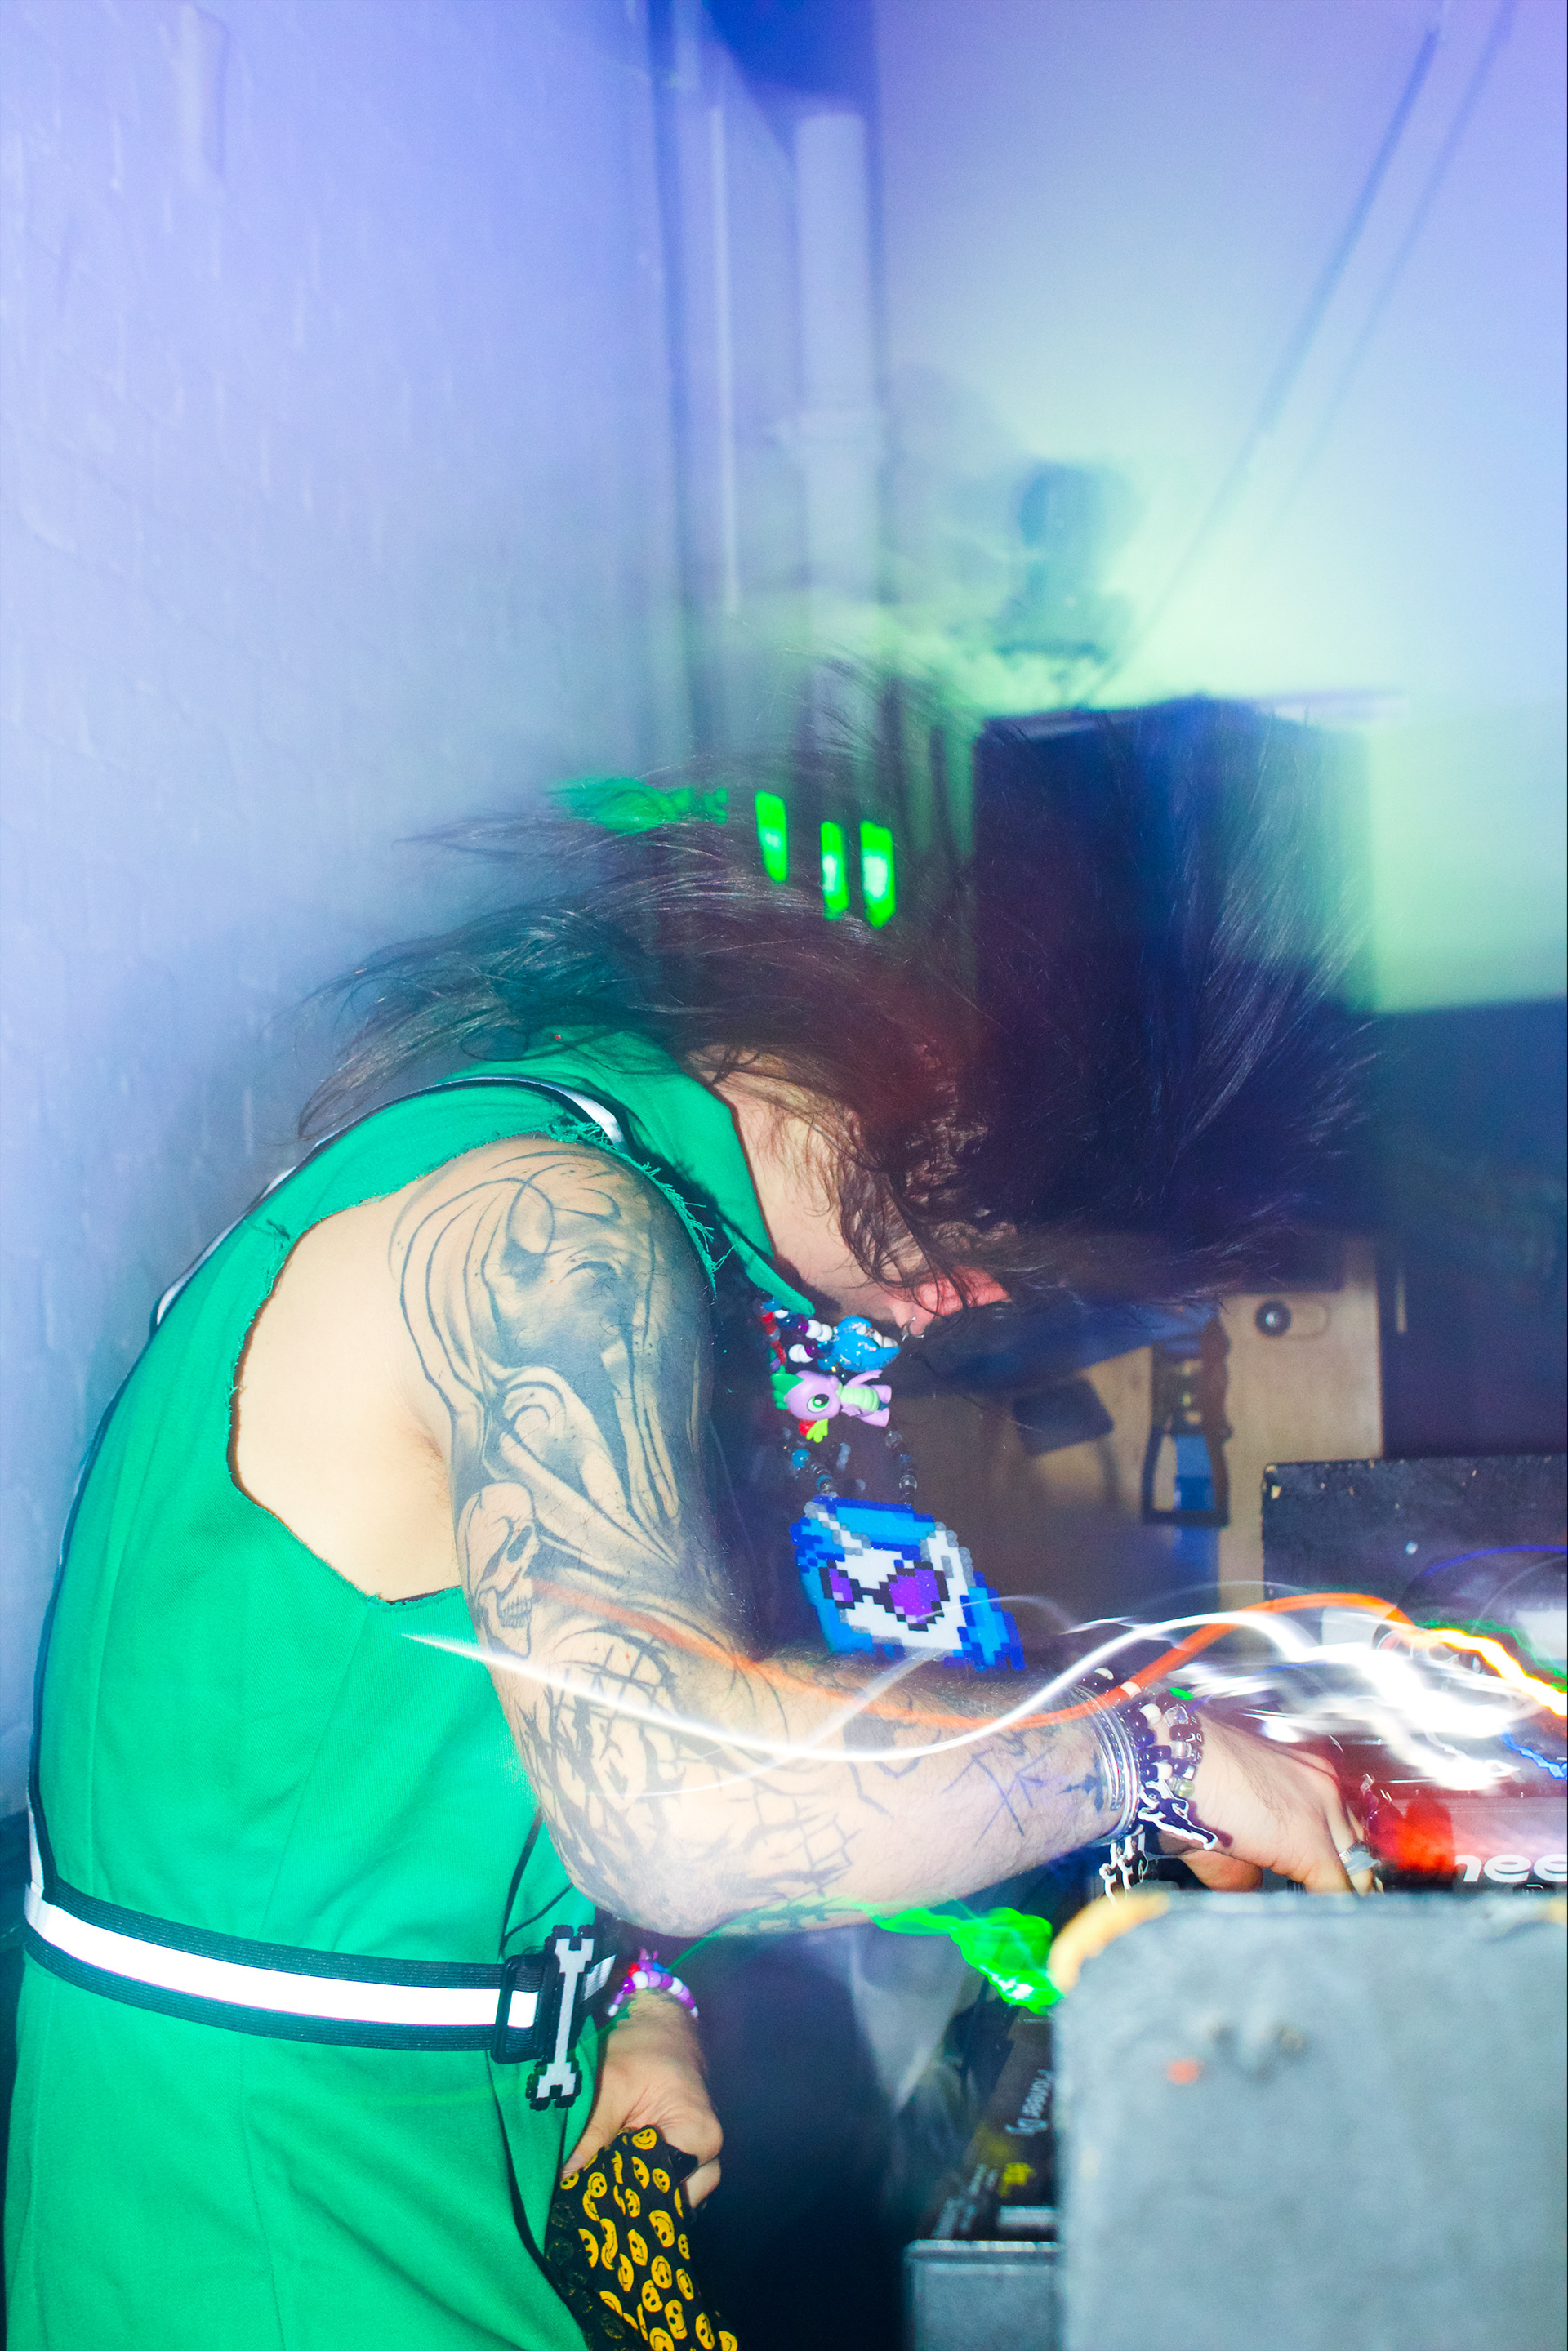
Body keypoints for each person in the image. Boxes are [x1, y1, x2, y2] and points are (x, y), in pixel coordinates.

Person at [6, 790, 1370, 2350]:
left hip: (377, 2145)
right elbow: (676, 1814)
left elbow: (503, 1734)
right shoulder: (550, 1228)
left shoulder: (585, 1171)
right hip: (267, 2216)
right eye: (1014, 1248)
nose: (985, 1304)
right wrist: (1155, 1757)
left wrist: (642, 2004)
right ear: (942, 1088)